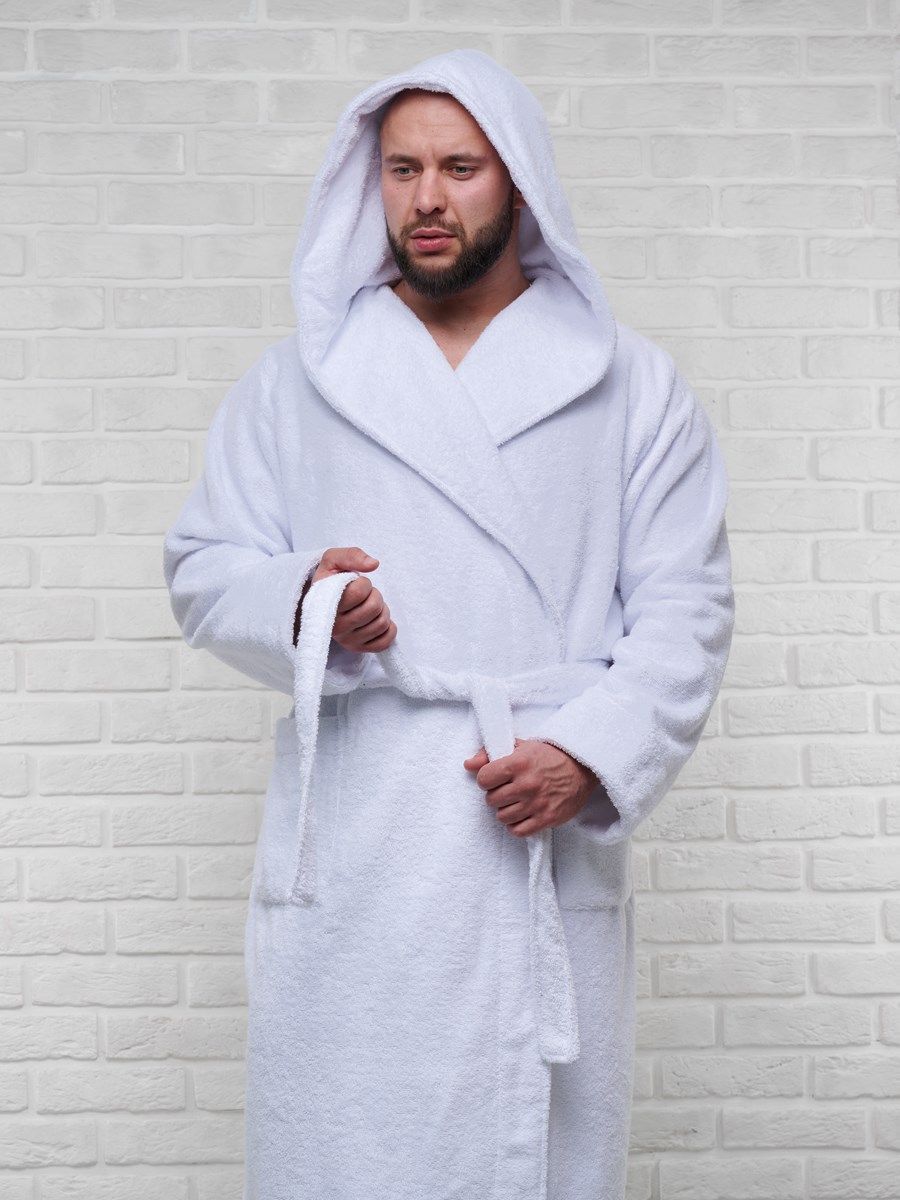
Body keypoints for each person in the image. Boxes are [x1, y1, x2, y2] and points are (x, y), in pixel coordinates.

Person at [163, 47, 735, 1200]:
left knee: (528, 1155)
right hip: (363, 837)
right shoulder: (296, 383)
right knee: (346, 1149)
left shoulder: (631, 387)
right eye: (403, 169)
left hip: (528, 825)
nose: (428, 198)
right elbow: (204, 569)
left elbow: (687, 609)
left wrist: (587, 754)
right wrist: (307, 600)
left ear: (517, 182)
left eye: (461, 168)